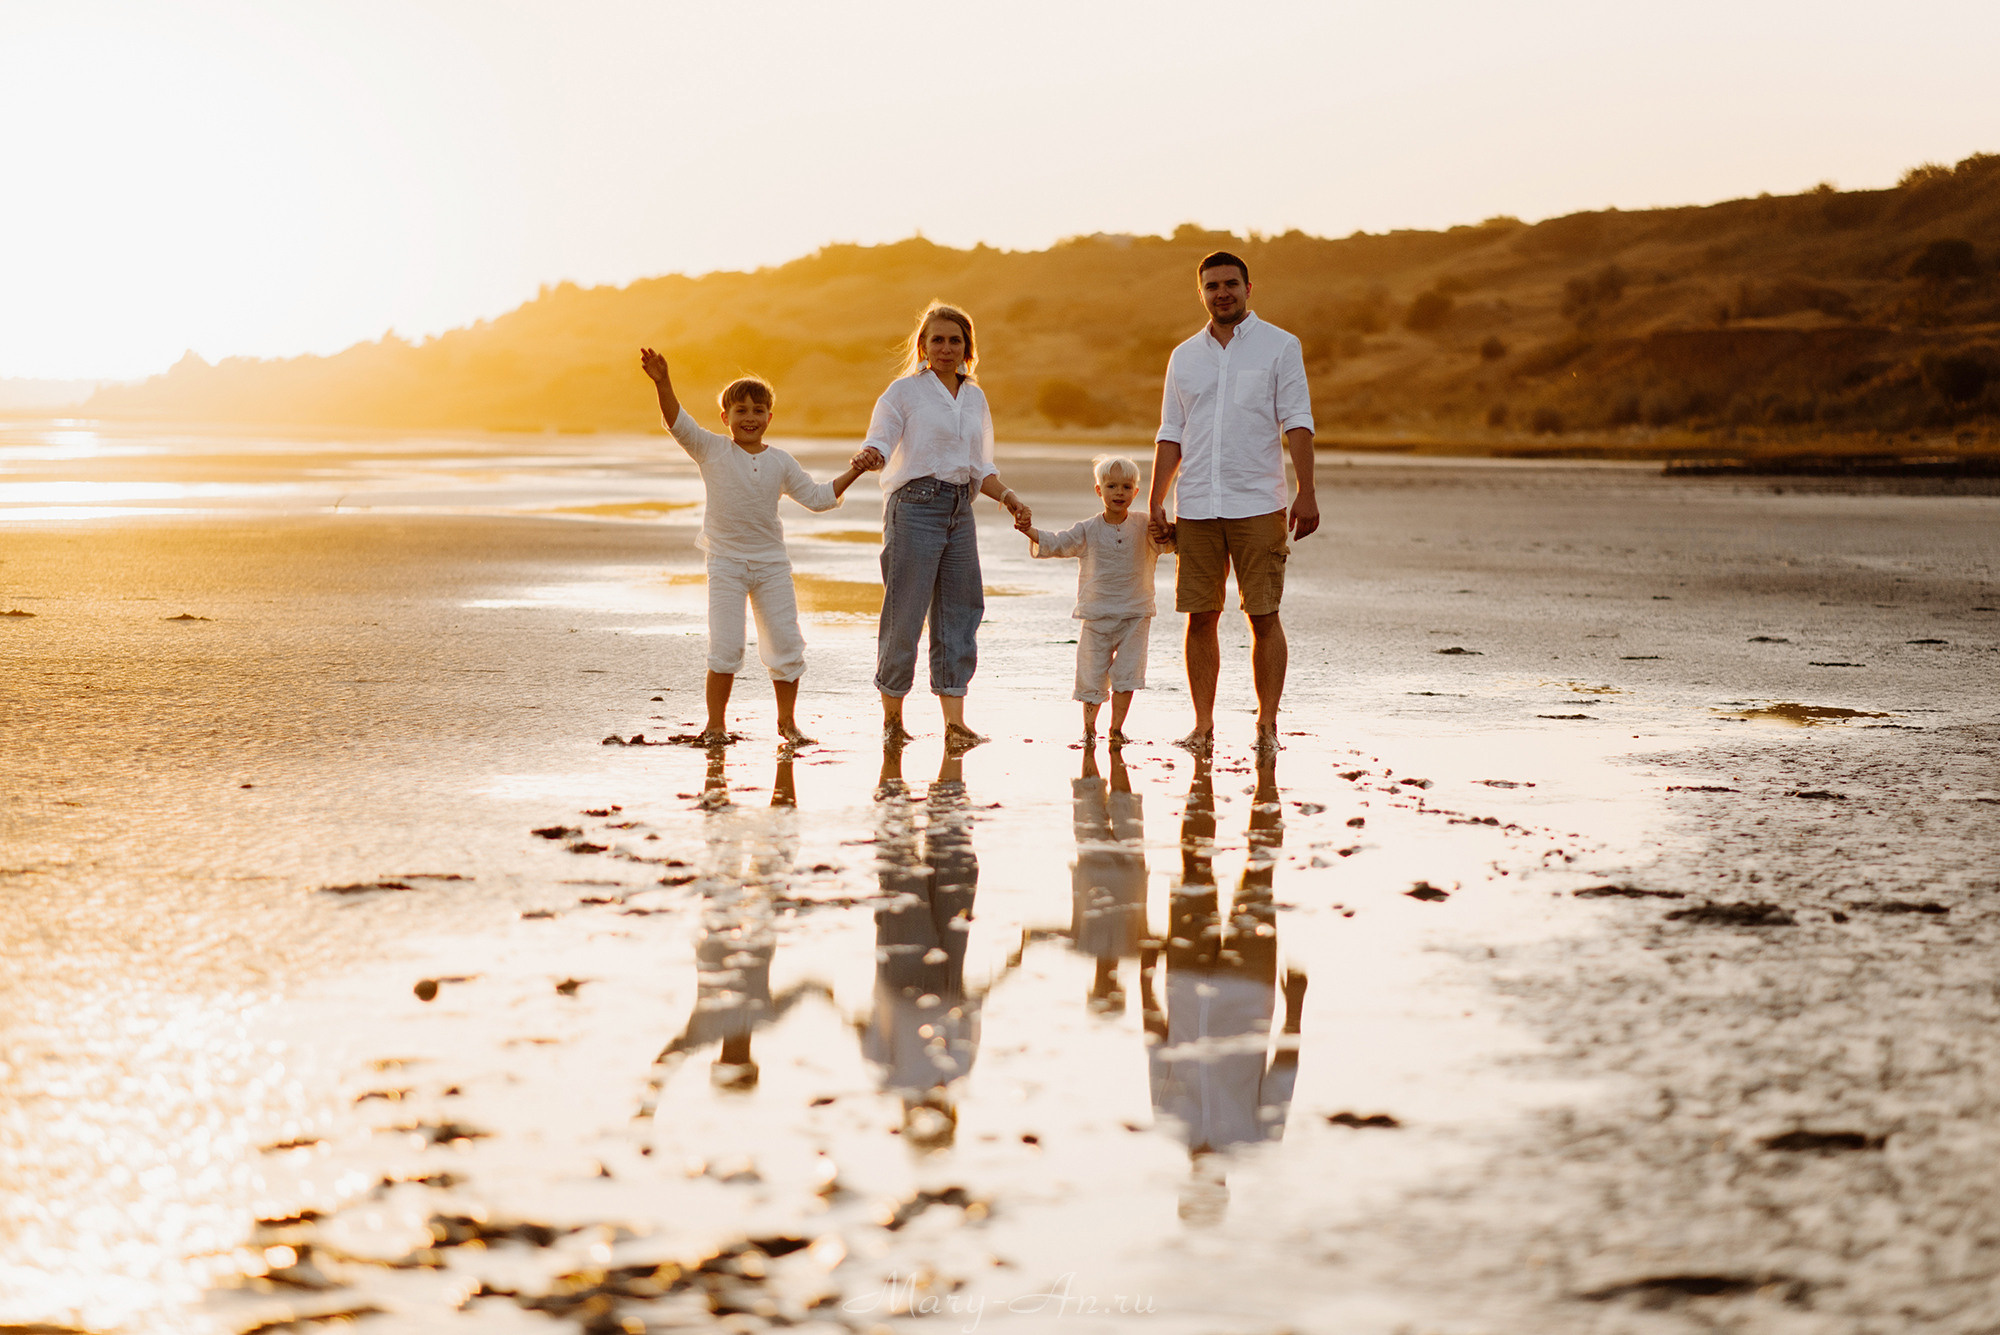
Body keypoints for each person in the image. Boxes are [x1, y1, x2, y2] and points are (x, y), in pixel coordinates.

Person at [639, 348, 873, 745]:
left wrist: (857, 468)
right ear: (725, 417)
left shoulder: (780, 461)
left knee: (786, 646)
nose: (750, 417)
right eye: (741, 410)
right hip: (726, 564)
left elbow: (818, 498)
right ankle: (715, 725)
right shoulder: (711, 448)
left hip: (772, 567)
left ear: (769, 417)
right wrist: (663, 382)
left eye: (758, 410)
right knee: (726, 647)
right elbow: (677, 422)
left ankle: (788, 724)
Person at [1147, 251, 1318, 756]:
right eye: (1212, 285)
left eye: (1230, 284)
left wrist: (1306, 491)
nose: (1221, 292)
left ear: (1248, 288)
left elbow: (1297, 421)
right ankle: (1202, 726)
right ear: (1200, 292)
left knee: (1263, 615)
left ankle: (1267, 725)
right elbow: (1171, 431)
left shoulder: (1280, 346)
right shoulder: (1184, 356)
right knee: (1199, 617)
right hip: (1197, 504)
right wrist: (1157, 500)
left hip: (1258, 503)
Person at [852, 303, 1033, 752]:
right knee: (906, 612)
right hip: (914, 506)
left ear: (967, 348)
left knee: (961, 610)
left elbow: (980, 466)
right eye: (938, 340)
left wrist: (1009, 497)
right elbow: (881, 438)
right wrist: (871, 454)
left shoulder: (974, 397)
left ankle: (955, 724)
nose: (946, 348)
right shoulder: (903, 392)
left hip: (959, 509)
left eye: (955, 340)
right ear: (923, 345)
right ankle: (893, 721)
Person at [1016, 454, 1173, 742]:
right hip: (1096, 615)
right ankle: (1089, 729)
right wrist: (1029, 530)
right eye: (1112, 486)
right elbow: (1059, 542)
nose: (1119, 493)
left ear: (1136, 491)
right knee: (1091, 673)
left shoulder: (1144, 524)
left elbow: (1170, 542)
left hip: (1136, 614)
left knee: (1127, 674)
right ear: (1099, 490)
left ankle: (1116, 729)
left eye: (1126, 487)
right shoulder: (1087, 529)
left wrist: (1169, 529)